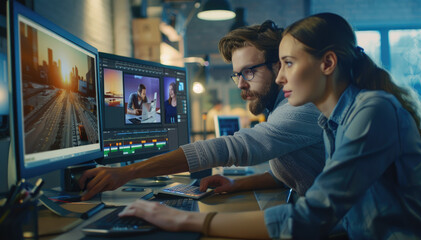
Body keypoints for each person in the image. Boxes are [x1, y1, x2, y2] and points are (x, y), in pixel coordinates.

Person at [117, 13, 421, 239]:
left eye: (288, 64)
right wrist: (240, 185)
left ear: (327, 64)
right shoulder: (332, 118)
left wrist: (183, 219)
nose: (283, 77)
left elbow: (309, 218)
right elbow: (324, 178)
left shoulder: (371, 112)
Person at [79, 20, 325, 200]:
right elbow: (288, 176)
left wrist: (129, 172)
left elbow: (233, 148)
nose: (240, 83)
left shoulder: (301, 108)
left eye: (249, 72)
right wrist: (235, 184)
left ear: (279, 66)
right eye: (237, 75)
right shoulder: (281, 108)